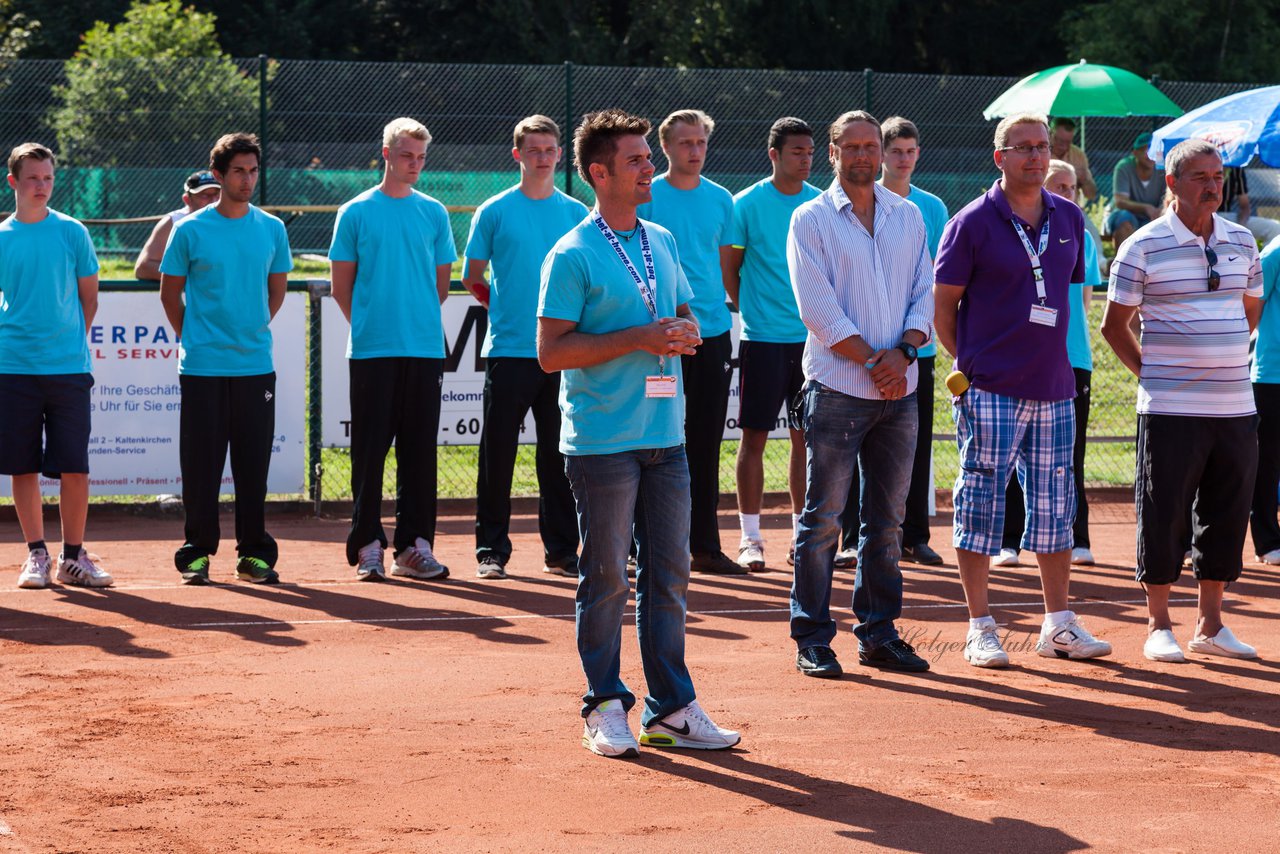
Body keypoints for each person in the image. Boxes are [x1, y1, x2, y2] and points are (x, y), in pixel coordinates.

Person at [538, 108, 740, 758]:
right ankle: (603, 703)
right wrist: (641, 339)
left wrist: (682, 332)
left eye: (648, 157)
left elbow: (680, 312)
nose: (650, 166)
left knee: (670, 578)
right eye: (636, 160)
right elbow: (550, 352)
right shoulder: (572, 253)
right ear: (599, 173)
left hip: (666, 437)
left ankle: (671, 708)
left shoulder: (661, 239)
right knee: (606, 579)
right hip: (602, 444)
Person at [934, 113, 1111, 668]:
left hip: (1056, 388)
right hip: (990, 389)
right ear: (999, 157)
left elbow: (1068, 295)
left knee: (1056, 508)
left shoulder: (1070, 216)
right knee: (980, 501)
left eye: (1041, 146)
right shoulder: (971, 222)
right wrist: (971, 368)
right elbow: (943, 309)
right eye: (1022, 148)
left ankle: (1058, 624)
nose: (1036, 156)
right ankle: (980, 626)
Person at [1102, 139, 1263, 662]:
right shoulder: (1142, 245)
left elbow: (1249, 310)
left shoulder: (1243, 241)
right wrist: (1157, 373)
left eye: (1218, 176)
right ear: (1172, 183)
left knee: (1226, 513)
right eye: (1200, 177)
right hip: (1170, 408)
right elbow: (1114, 325)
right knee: (1163, 510)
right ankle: (1158, 624)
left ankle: (1211, 625)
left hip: (1235, 406)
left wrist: (1218, 353)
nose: (1213, 185)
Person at [788, 111, 935, 678]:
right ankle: (813, 637)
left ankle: (878, 634)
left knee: (888, 522)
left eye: (870, 146)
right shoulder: (810, 219)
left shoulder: (909, 215)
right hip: (839, 389)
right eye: (850, 146)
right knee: (823, 518)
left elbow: (926, 290)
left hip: (900, 391)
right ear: (832, 153)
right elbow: (817, 307)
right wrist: (879, 363)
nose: (863, 156)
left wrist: (905, 351)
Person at [160, 132, 292, 585]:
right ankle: (197, 552)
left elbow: (276, 291)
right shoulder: (190, 229)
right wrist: (194, 336)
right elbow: (170, 292)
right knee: (201, 465)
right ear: (218, 175)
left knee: (253, 466)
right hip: (201, 367)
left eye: (253, 170)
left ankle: (253, 553)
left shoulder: (272, 228)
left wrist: (250, 328)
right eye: (239, 170)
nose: (248, 179)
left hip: (256, 366)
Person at [330, 117, 455, 582]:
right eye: (407, 155)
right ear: (386, 154)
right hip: (371, 352)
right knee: (369, 452)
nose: (416, 164)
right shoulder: (356, 212)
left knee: (420, 451)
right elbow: (342, 287)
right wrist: (373, 326)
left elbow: (440, 286)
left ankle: (415, 546)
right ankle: (367, 546)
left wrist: (410, 322)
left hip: (424, 350)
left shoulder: (434, 212)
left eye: (422, 157)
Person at [463, 116, 585, 581]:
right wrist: (507, 307)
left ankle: (561, 550)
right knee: (498, 454)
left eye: (549, 148)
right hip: (509, 351)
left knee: (560, 455)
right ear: (517, 155)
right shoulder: (494, 211)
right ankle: (490, 550)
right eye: (532, 149)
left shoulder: (576, 213)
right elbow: (472, 274)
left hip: (561, 352)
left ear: (559, 154)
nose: (541, 156)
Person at [835, 116, 949, 570]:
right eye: (894, 150)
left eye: (909, 150)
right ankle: (850, 537)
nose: (902, 158)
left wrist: (906, 348)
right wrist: (879, 355)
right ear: (882, 154)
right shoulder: (846, 207)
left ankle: (914, 535)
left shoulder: (929, 208)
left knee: (914, 448)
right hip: (856, 359)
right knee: (852, 450)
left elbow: (931, 280)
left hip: (916, 352)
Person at [2, 143, 112, 590]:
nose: (41, 186)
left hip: (68, 368)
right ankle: (36, 555)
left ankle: (73, 557)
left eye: (47, 178)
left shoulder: (73, 232)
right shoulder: (2, 237)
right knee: (22, 467)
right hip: (12, 368)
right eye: (32, 178)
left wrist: (68, 344)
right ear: (13, 182)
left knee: (75, 467)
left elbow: (90, 297)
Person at [637, 109, 739, 575]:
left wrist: (706, 319)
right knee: (650, 440)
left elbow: (721, 270)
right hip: (661, 339)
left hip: (712, 336)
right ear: (666, 147)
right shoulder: (648, 195)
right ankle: (645, 547)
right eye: (684, 143)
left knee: (704, 442)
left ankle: (706, 545)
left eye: (700, 142)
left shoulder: (722, 200)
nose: (694, 151)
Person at [725, 117, 820, 570]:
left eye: (810, 151)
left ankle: (804, 534)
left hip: (812, 345)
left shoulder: (821, 205)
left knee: (807, 442)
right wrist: (756, 312)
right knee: (755, 439)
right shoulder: (744, 205)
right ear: (774, 155)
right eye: (797, 151)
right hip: (762, 341)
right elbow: (731, 271)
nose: (805, 158)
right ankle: (750, 538)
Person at [996, 159, 1100, 568]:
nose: (1067, 192)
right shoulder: (1010, 230)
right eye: (1060, 184)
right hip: (1017, 359)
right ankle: (1008, 541)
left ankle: (1078, 538)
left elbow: (1084, 301)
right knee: (1010, 452)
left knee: (1069, 456)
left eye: (1072, 186)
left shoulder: (1078, 233)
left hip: (1071, 359)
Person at [133, 170, 221, 281]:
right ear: (187, 199)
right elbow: (143, 268)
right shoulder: (172, 222)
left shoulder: (237, 220)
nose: (213, 201)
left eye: (217, 194)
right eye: (204, 195)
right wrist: (195, 279)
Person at [1253, 235, 1280, 565]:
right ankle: (1267, 540)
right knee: (1266, 461)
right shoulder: (1274, 253)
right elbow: (1250, 313)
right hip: (1272, 375)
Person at [1105, 132, 1165, 252]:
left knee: (1164, 222)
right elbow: (1120, 202)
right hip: (1123, 217)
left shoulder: (1163, 168)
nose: (1150, 155)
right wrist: (1146, 208)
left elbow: (1169, 197)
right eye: (1145, 151)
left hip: (1151, 219)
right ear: (1135, 153)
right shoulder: (1124, 166)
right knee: (1124, 218)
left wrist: (1161, 210)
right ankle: (1123, 266)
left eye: (1153, 150)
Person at [1218, 166, 1280, 246]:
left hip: (1226, 216)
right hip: (1203, 217)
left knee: (1274, 228)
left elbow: (1245, 206)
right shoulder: (1202, 162)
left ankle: (1261, 258)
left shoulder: (1236, 167)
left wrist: (1240, 228)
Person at [1049, 118, 1098, 201]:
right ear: (1050, 134)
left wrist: (1085, 180)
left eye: (1067, 142)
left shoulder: (1078, 155)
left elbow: (1091, 195)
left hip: (1071, 207)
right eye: (1060, 141)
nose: (1063, 146)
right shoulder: (1040, 151)